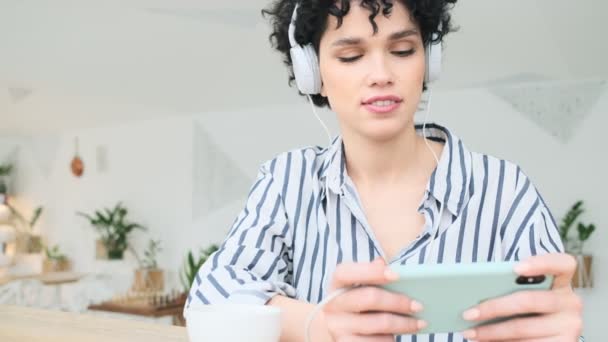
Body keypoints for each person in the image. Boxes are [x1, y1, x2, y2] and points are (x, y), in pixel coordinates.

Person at [185, 1, 584, 341]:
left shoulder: (506, 190)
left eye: (403, 50)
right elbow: (210, 297)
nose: (380, 74)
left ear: (430, 60)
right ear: (313, 73)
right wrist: (319, 325)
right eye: (351, 56)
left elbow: (554, 322)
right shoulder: (286, 180)